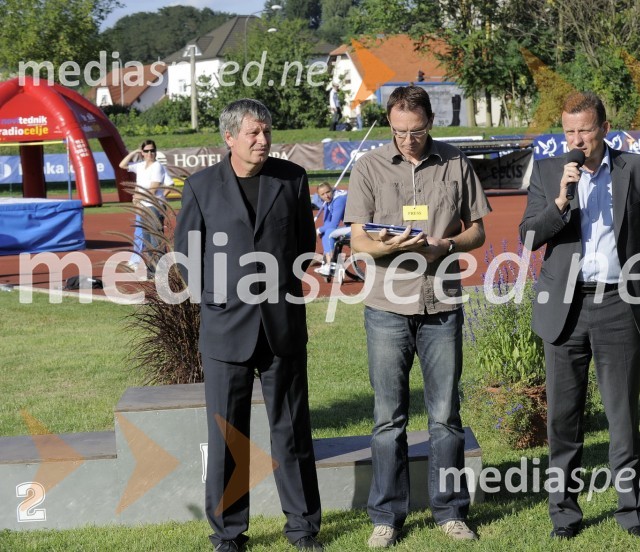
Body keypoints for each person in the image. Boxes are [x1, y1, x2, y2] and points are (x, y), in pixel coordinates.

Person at [519, 91, 640, 541]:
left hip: (618, 306)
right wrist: (562, 201)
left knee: (622, 416)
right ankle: (564, 516)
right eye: (568, 131)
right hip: (563, 309)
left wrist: (634, 280)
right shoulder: (550, 172)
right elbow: (529, 237)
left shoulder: (637, 169)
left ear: (604, 127)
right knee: (562, 419)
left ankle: (632, 512)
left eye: (584, 130)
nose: (576, 139)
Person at [174, 99, 324, 552]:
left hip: (281, 328)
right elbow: (187, 258)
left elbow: (303, 243)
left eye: (267, 132)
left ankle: (302, 528)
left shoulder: (292, 179)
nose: (263, 140)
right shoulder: (201, 186)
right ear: (230, 138)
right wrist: (218, 302)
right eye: (254, 133)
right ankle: (228, 533)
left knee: (292, 430)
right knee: (227, 437)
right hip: (225, 330)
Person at [344, 85, 491, 548]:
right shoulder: (369, 166)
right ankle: (387, 516)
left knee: (446, 416)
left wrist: (446, 245)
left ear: (431, 122)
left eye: (418, 130)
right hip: (387, 306)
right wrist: (384, 246)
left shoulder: (455, 164)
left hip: (441, 305)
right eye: (400, 131)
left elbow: (478, 231)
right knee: (389, 417)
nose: (408, 139)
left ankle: (449, 512)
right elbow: (357, 240)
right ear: (390, 124)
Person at [119, 140, 172, 275]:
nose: (150, 153)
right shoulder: (140, 166)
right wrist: (133, 153)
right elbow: (122, 165)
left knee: (156, 240)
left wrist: (138, 198)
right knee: (147, 240)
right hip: (144, 207)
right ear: (142, 153)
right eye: (147, 151)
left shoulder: (157, 166)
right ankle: (152, 268)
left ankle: (162, 270)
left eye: (152, 150)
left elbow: (153, 188)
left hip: (153, 207)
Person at [313, 182, 347, 277]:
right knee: (326, 232)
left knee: (329, 232)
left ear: (332, 190)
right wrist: (321, 231)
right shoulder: (329, 201)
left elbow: (333, 223)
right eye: (322, 194)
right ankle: (327, 264)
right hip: (349, 227)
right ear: (319, 196)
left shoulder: (340, 199)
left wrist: (318, 230)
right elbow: (327, 222)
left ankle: (330, 265)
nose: (326, 196)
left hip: (356, 227)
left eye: (328, 192)